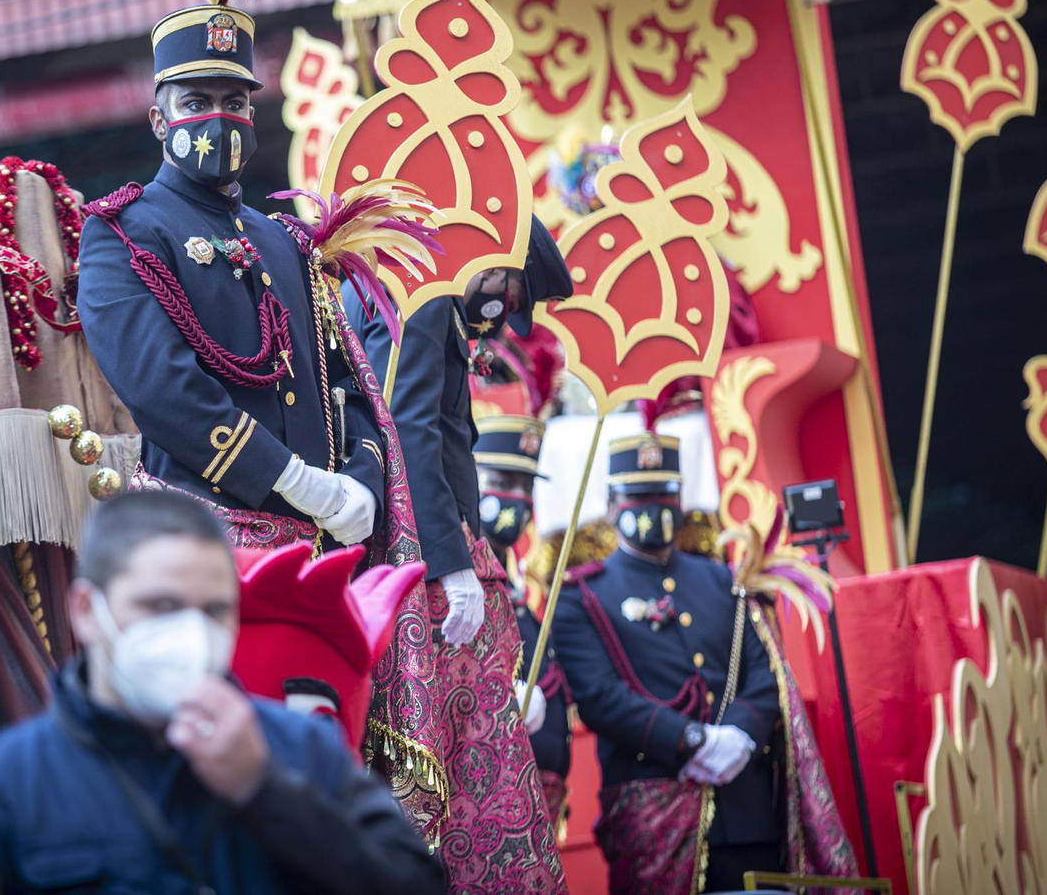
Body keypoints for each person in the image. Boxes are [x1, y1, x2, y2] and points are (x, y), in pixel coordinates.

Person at [0, 491, 445, 895]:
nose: (191, 632)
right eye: (161, 606)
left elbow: (414, 883)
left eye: (214, 610)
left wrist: (266, 791)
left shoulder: (302, 747)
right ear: (85, 610)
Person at [76, 0, 386, 551]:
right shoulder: (124, 234)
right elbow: (164, 389)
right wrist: (292, 478)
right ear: (160, 122)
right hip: (206, 543)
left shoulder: (285, 241)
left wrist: (362, 477)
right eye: (195, 103)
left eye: (235, 102)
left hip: (327, 544)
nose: (219, 119)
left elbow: (343, 379)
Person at [345, 216, 573, 892]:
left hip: (419, 548)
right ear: (493, 254)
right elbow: (411, 426)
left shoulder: (434, 301)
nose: (504, 312)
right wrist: (452, 562)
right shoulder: (425, 293)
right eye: (512, 287)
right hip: (416, 559)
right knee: (459, 763)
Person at [549, 431, 856, 893]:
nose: (654, 507)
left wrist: (737, 738)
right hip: (653, 811)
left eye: (665, 494)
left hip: (747, 806)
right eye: (638, 495)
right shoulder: (581, 595)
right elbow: (599, 698)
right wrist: (693, 741)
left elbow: (764, 671)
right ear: (612, 505)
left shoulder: (721, 580)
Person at [473, 414, 574, 826]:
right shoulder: (454, 576)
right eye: (503, 481)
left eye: (527, 487)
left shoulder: (515, 587)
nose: (518, 499)